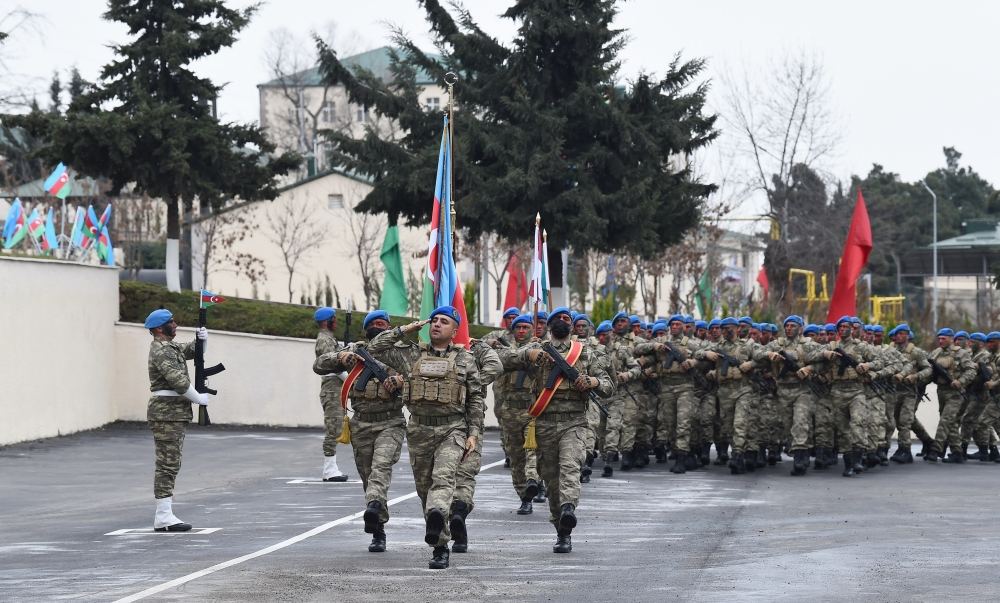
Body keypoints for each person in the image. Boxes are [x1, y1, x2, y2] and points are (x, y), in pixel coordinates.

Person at [367, 306, 484, 570]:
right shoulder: (410, 355)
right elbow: (373, 348)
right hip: (419, 430)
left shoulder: (465, 360)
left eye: (444, 322)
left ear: (455, 330)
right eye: (434, 321)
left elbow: (476, 399)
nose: (436, 325)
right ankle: (439, 538)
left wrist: (474, 433)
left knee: (442, 481)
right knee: (424, 490)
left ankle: (440, 542)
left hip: (452, 429)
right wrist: (403, 330)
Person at [500, 306, 613, 553]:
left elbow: (608, 385)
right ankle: (561, 529)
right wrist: (527, 356)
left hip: (574, 422)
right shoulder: (537, 351)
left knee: (570, 467)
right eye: (557, 319)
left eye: (566, 318)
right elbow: (502, 361)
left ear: (572, 326)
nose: (562, 321)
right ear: (549, 326)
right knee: (551, 480)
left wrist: (592, 381)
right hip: (544, 423)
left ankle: (568, 508)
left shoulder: (584, 353)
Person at [313, 310, 405, 553]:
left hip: (390, 423)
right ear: (366, 329)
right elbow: (319, 364)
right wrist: (342, 358)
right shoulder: (356, 350)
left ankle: (374, 506)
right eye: (374, 324)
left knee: (380, 467)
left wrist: (402, 382)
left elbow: (420, 377)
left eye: (383, 324)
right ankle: (378, 529)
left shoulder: (401, 352)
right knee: (367, 475)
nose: (379, 327)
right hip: (361, 424)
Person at [144, 308, 209, 532]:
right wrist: (198, 398)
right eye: (171, 322)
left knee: (172, 463)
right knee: (167, 464)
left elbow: (191, 352)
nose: (176, 324)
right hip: (166, 414)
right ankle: (163, 516)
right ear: (160, 328)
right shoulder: (161, 351)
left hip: (173, 413)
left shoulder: (169, 347)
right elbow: (178, 381)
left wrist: (201, 340)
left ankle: (165, 514)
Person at [494, 314, 543, 513]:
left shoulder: (541, 349)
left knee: (533, 451)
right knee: (516, 456)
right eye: (518, 327)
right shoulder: (504, 350)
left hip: (532, 410)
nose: (522, 331)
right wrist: (528, 350)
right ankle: (524, 496)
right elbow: (508, 358)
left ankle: (534, 482)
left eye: (525, 327)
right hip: (510, 411)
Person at [924, 328, 976, 463]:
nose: (941, 341)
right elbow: (929, 369)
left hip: (955, 393)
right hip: (941, 390)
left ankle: (935, 450)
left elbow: (971, 371)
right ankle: (957, 452)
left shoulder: (961, 353)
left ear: (951, 339)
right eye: (939, 338)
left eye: (944, 338)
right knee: (950, 422)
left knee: (945, 420)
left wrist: (961, 381)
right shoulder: (936, 353)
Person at [314, 307, 348, 482]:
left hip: (336, 387)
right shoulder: (325, 340)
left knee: (337, 426)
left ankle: (331, 468)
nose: (337, 321)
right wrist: (349, 379)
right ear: (328, 321)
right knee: (333, 427)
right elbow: (332, 365)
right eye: (334, 319)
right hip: (332, 388)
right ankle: (329, 469)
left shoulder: (329, 339)